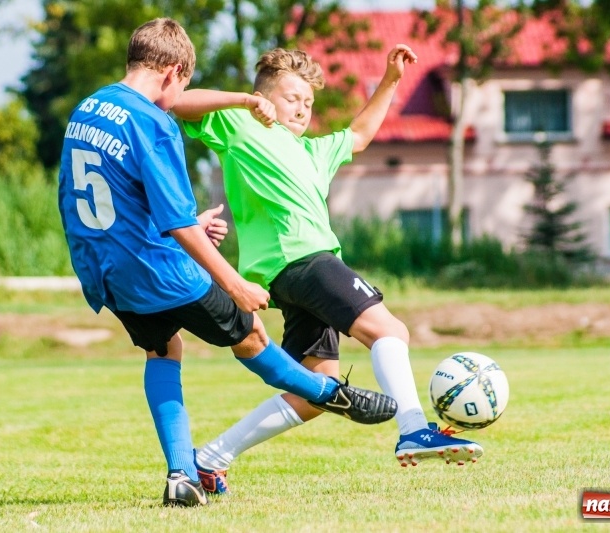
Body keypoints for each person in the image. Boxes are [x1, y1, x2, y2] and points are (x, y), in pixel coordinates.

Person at [56, 18, 397, 508]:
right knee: (251, 336)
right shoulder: (152, 121)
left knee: (164, 349)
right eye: (186, 84)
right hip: (161, 269)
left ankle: (182, 474)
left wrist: (180, 226)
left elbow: (94, 196)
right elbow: (177, 224)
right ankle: (327, 394)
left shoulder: (87, 109)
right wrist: (233, 281)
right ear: (173, 72)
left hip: (105, 268)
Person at [174, 44, 483, 493]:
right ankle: (413, 429)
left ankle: (211, 458)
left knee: (317, 388)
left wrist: (391, 80)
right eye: (291, 97)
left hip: (293, 276)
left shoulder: (315, 152)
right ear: (264, 96)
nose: (301, 108)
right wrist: (242, 100)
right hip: (304, 261)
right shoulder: (239, 123)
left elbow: (358, 135)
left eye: (308, 103)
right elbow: (177, 100)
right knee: (390, 330)